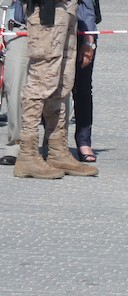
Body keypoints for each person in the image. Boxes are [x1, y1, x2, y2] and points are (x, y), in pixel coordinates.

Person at [14, 0, 97, 179]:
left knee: (62, 82)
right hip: (45, 9)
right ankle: (27, 154)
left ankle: (57, 150)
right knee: (40, 80)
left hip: (67, 10)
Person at [0, 0, 28, 167]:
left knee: (55, 91)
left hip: (54, 28)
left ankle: (54, 147)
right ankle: (15, 146)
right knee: (15, 88)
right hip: (20, 27)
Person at [71, 0, 99, 163]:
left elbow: (87, 8)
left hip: (81, 31)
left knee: (82, 89)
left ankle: (83, 141)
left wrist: (89, 40)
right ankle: (52, 141)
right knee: (52, 89)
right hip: (47, 31)